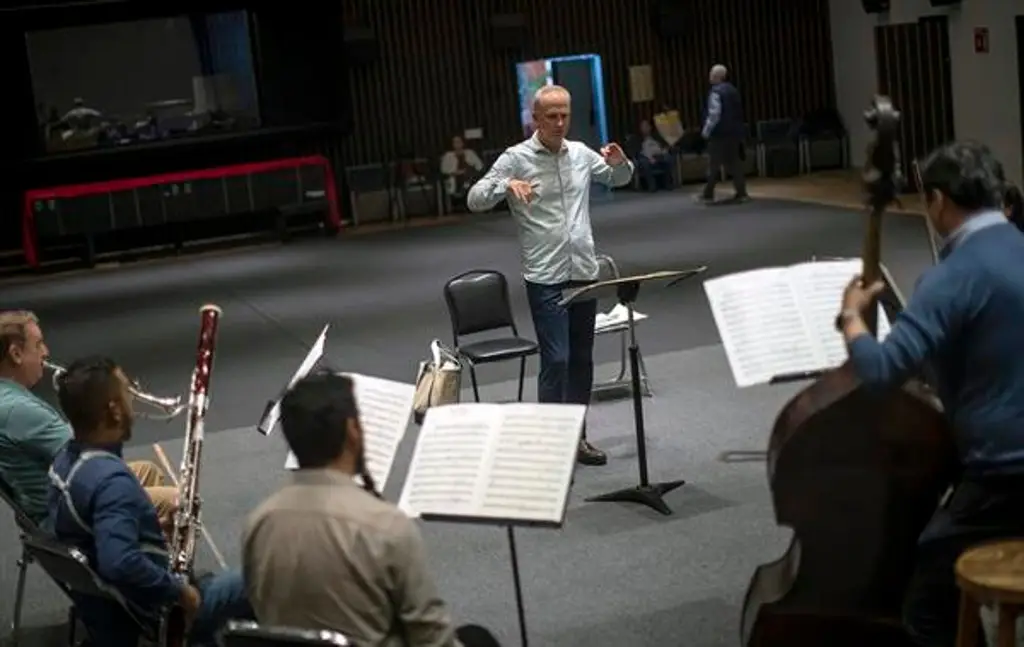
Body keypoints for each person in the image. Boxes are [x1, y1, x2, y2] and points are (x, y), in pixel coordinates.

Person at [836, 141, 1024, 647]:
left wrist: (853, 317)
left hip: (1006, 474)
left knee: (927, 599)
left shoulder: (951, 277)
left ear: (937, 200)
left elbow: (880, 373)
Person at [242, 370, 500, 647]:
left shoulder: (258, 523)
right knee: (477, 639)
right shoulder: (385, 526)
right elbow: (432, 638)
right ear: (353, 430)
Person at [466, 85, 634, 466]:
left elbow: (618, 178)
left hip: (583, 271)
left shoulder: (579, 154)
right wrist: (505, 184)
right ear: (535, 119)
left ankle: (577, 438)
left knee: (582, 360)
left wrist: (622, 163)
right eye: (551, 116)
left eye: (564, 115)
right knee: (556, 359)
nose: (559, 123)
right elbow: (474, 198)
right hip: (545, 276)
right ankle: (549, 440)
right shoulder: (516, 157)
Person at [45, 356, 252, 647]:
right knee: (261, 580)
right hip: (158, 613)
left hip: (109, 610)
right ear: (114, 411)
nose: (133, 401)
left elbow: (94, 537)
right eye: (128, 392)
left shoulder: (63, 464)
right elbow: (119, 563)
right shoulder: (111, 481)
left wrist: (151, 531)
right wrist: (181, 591)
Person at [0, 310, 175, 524]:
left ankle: (144, 543)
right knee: (178, 501)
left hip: (61, 494)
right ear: (16, 354)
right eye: (38, 344)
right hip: (68, 511)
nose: (46, 352)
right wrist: (106, 404)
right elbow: (90, 455)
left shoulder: (8, 397)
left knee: (147, 471)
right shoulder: (17, 409)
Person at [699, 64, 748, 204]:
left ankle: (708, 193)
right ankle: (742, 192)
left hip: (719, 134)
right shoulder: (733, 90)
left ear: (717, 76)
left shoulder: (715, 92)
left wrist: (706, 131)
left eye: (712, 74)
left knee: (714, 164)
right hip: (734, 133)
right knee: (734, 163)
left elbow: (714, 115)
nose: (710, 77)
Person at [440, 135, 485, 210]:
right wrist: (456, 172)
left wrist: (471, 169)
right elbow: (444, 170)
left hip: (470, 176)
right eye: (455, 142)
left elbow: (479, 166)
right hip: (455, 177)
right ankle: (462, 195)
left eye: (459, 142)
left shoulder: (469, 153)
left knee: (471, 177)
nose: (457, 144)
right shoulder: (448, 156)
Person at [634, 119, 675, 191]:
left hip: (658, 155)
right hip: (644, 157)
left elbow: (663, 146)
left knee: (668, 158)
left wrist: (664, 150)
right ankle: (652, 185)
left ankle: (668, 183)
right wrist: (649, 157)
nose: (645, 128)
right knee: (644, 162)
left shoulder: (656, 137)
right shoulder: (637, 139)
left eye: (647, 126)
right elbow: (637, 152)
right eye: (643, 126)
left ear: (650, 127)